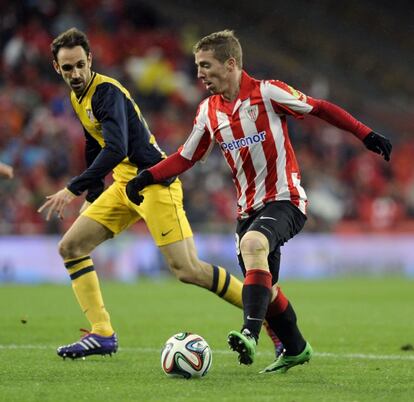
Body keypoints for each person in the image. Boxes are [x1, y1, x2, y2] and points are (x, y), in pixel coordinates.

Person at [126, 29, 392, 374]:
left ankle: (249, 334)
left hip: (286, 199)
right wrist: (147, 177)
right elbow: (185, 157)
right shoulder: (208, 111)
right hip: (247, 209)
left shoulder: (268, 92)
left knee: (254, 246)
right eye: (197, 67)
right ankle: (296, 349)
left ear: (231, 64)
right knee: (267, 286)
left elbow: (320, 108)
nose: (200, 74)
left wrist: (365, 134)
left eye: (206, 65)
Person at [38, 27, 283, 360]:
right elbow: (93, 143)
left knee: (188, 270)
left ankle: (272, 317)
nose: (76, 73)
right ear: (57, 68)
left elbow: (116, 147)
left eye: (80, 64)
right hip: (124, 184)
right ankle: (102, 333)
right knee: (71, 247)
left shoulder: (106, 92)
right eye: (68, 68)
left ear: (90, 60)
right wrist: (94, 192)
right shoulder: (77, 97)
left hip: (153, 183)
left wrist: (73, 188)